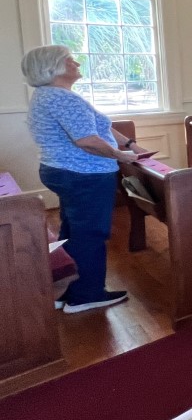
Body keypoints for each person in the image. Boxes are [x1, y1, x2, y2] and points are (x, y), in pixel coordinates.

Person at [22, 45, 145, 313]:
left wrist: (131, 145)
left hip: (63, 171)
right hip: (83, 175)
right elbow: (87, 141)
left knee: (72, 229)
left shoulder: (47, 95)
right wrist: (120, 156)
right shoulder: (62, 98)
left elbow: (100, 127)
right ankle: (86, 295)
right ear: (52, 67)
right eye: (69, 60)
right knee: (90, 233)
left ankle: (65, 289)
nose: (76, 63)